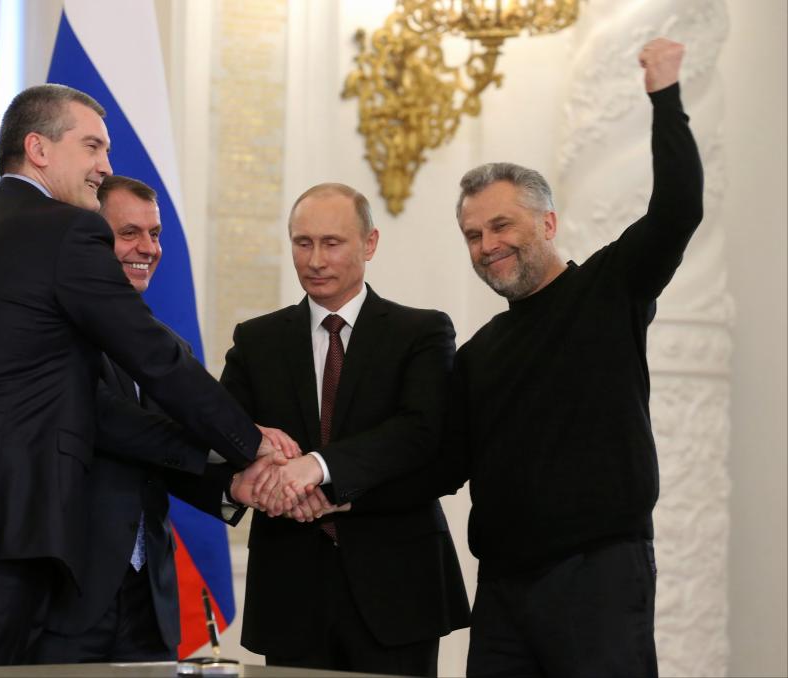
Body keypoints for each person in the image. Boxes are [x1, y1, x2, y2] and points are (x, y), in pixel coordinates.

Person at [0, 84, 292, 668]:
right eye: (93, 146)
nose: (106, 166)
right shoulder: (63, 230)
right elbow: (155, 358)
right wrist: (250, 444)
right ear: (39, 149)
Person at [359, 37, 700, 676]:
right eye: (473, 235)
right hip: (503, 592)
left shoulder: (611, 287)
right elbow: (441, 466)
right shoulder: (480, 351)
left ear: (546, 224)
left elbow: (679, 209)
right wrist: (335, 487)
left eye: (501, 226)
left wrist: (665, 94)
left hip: (598, 578)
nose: (487, 245)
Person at [219, 183, 470, 677]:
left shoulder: (420, 332)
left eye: (331, 243)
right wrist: (263, 473)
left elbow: (424, 437)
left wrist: (321, 473)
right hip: (290, 592)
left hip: (397, 591)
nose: (314, 259)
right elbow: (222, 438)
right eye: (302, 242)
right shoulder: (256, 340)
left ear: (369, 244)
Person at [36, 174, 276, 663]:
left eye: (156, 233)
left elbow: (166, 458)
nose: (148, 247)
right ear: (91, 239)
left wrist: (235, 485)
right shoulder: (58, 338)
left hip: (151, 599)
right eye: (129, 233)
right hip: (68, 596)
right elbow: (111, 423)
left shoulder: (169, 349)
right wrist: (243, 444)